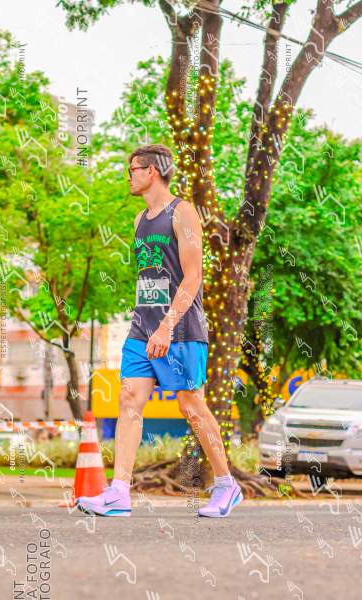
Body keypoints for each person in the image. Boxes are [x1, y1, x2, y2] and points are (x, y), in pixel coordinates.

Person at [76, 144, 243, 517]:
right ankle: (119, 492)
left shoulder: (183, 213)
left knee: (189, 404)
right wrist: (147, 321)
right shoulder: (139, 220)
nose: (129, 176)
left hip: (180, 328)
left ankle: (226, 485)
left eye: (132, 169)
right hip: (142, 326)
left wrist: (166, 327)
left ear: (151, 171)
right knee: (129, 398)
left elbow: (193, 277)